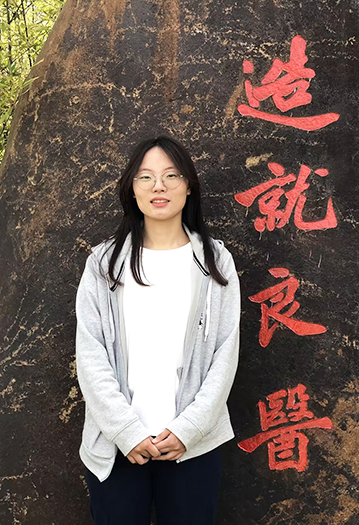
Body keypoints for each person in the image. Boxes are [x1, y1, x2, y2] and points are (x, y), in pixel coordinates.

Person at [74, 135, 240, 524]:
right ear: (132, 189)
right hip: (117, 444)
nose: (158, 186)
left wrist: (189, 429)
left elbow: (225, 352)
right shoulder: (104, 263)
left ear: (189, 186)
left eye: (171, 175)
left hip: (193, 445)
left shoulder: (215, 262)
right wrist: (125, 430)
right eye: (145, 177)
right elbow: (91, 353)